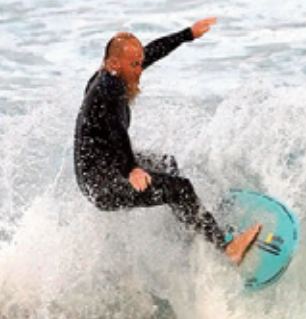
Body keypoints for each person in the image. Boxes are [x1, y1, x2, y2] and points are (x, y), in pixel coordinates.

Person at [74, 17, 261, 265]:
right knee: (180, 188)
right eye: (134, 65)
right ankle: (228, 249)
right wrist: (132, 169)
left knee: (166, 163)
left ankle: (189, 226)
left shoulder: (114, 73)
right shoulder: (109, 90)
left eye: (139, 63)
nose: (139, 70)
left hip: (105, 166)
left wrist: (188, 34)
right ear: (113, 63)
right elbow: (116, 129)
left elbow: (150, 52)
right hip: (102, 183)